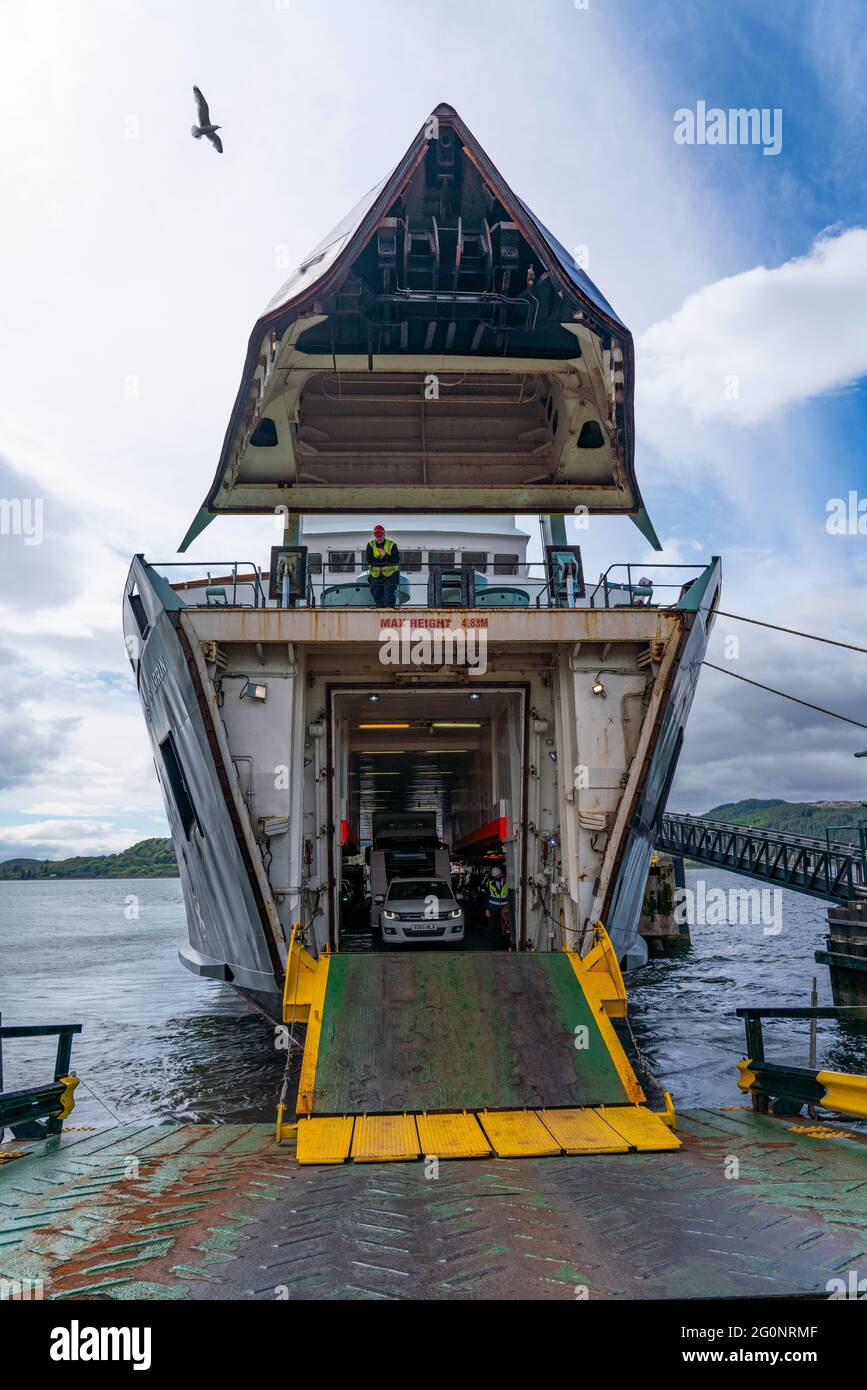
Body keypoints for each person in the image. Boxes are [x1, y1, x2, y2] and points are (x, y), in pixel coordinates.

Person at [365, 524, 401, 608]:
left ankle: (388, 613)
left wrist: (385, 555)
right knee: (376, 595)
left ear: (384, 535)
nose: (378, 538)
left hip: (390, 575)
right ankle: (380, 611)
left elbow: (395, 560)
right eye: (377, 536)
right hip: (376, 576)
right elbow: (370, 561)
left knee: (388, 597)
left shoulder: (392, 545)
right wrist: (386, 560)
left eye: (380, 536)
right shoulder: (370, 545)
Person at [484, 865, 509, 943]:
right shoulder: (490, 884)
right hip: (493, 908)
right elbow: (486, 897)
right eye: (496, 876)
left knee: (501, 926)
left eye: (499, 875)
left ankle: (500, 941)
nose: (498, 877)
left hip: (503, 909)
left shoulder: (507, 883)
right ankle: (492, 942)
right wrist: (487, 909)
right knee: (492, 925)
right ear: (494, 877)